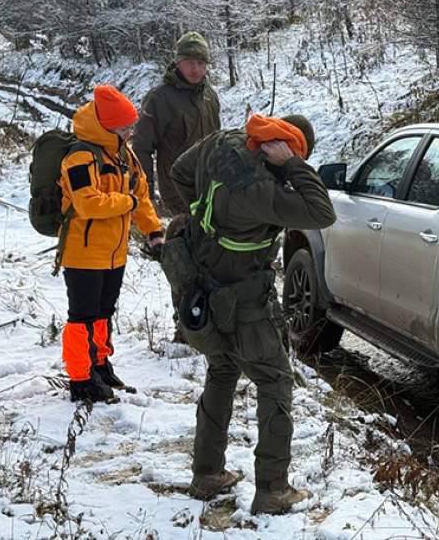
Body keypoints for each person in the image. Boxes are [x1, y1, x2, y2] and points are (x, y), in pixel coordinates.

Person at [169, 113, 335, 515]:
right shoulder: (264, 190)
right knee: (275, 381)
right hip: (243, 296)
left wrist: (205, 216)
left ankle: (207, 473)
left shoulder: (222, 142)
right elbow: (321, 213)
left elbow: (179, 171)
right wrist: (293, 165)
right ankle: (273, 490)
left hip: (203, 282)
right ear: (281, 148)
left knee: (222, 370)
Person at [59, 85, 164, 403]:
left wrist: (154, 231)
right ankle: (80, 379)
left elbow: (141, 195)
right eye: (125, 126)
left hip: (114, 253)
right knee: (82, 317)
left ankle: (100, 366)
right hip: (83, 252)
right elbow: (88, 204)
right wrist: (127, 202)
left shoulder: (123, 153)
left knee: (104, 312)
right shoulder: (80, 157)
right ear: (108, 125)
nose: (131, 131)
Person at [133, 31, 220, 216]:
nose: (195, 69)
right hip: (177, 191)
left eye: (201, 63)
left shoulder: (210, 96)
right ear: (178, 63)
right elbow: (141, 147)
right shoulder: (159, 98)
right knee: (188, 238)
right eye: (190, 63)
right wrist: (145, 191)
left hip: (209, 185)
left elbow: (217, 140)